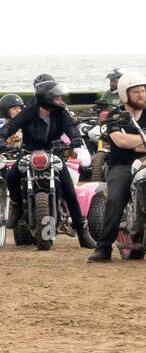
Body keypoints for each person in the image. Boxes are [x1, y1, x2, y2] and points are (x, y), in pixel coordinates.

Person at [87, 72, 146, 263]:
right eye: (136, 92)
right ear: (125, 95)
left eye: (143, 91)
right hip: (122, 165)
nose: (142, 95)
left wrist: (140, 142)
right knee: (115, 199)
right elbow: (120, 141)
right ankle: (104, 248)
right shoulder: (116, 115)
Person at [3, 78, 95, 247]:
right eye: (57, 98)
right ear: (46, 99)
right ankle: (16, 205)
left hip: (54, 153)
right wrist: (2, 136)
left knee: (69, 189)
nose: (61, 101)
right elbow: (12, 125)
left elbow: (71, 128)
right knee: (11, 176)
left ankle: (81, 229)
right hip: (29, 152)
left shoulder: (62, 113)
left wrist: (75, 139)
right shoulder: (29, 110)